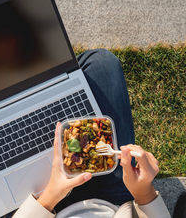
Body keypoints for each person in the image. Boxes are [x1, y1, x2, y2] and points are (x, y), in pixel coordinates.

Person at [12, 49, 171, 218]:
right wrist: (143, 191)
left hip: (48, 206)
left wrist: (49, 197)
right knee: (102, 64)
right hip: (114, 203)